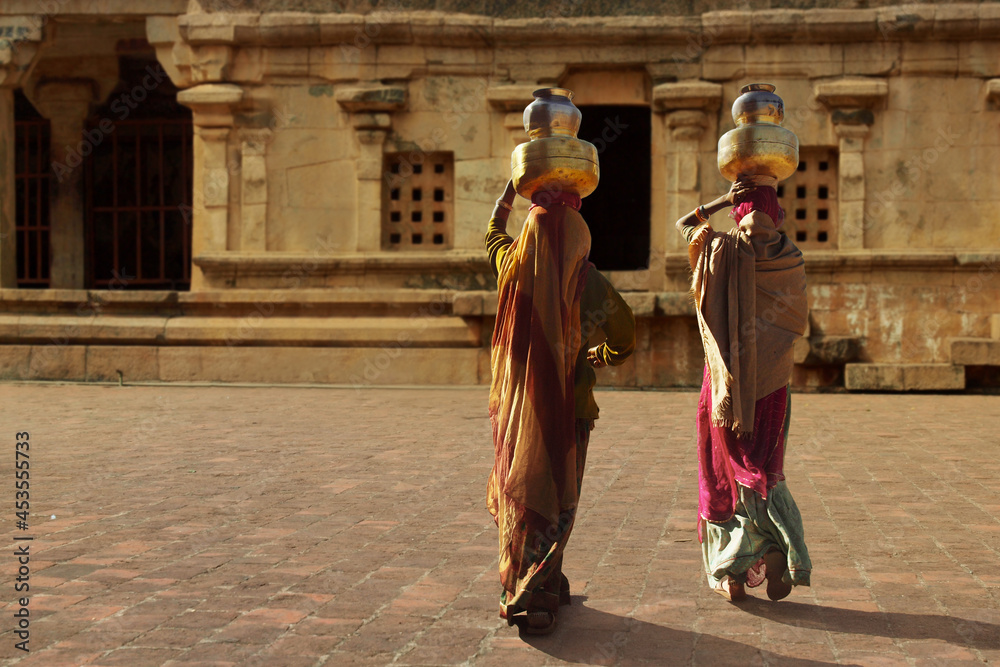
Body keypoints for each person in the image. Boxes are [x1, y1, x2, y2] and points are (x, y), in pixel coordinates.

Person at [486, 180, 635, 634]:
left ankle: (536, 578)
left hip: (521, 410)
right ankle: (539, 595)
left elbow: (493, 236)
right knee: (560, 500)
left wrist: (508, 197)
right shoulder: (589, 283)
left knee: (529, 494)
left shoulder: (514, 269)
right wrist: (597, 356)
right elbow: (625, 338)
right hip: (572, 412)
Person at [675, 178, 811, 602]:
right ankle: (777, 549)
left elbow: (685, 226)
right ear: (778, 215)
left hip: (724, 390)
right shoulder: (790, 256)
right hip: (773, 390)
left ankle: (731, 571)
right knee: (764, 469)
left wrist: (717, 201)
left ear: (738, 212)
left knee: (725, 473)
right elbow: (794, 319)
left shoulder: (721, 249)